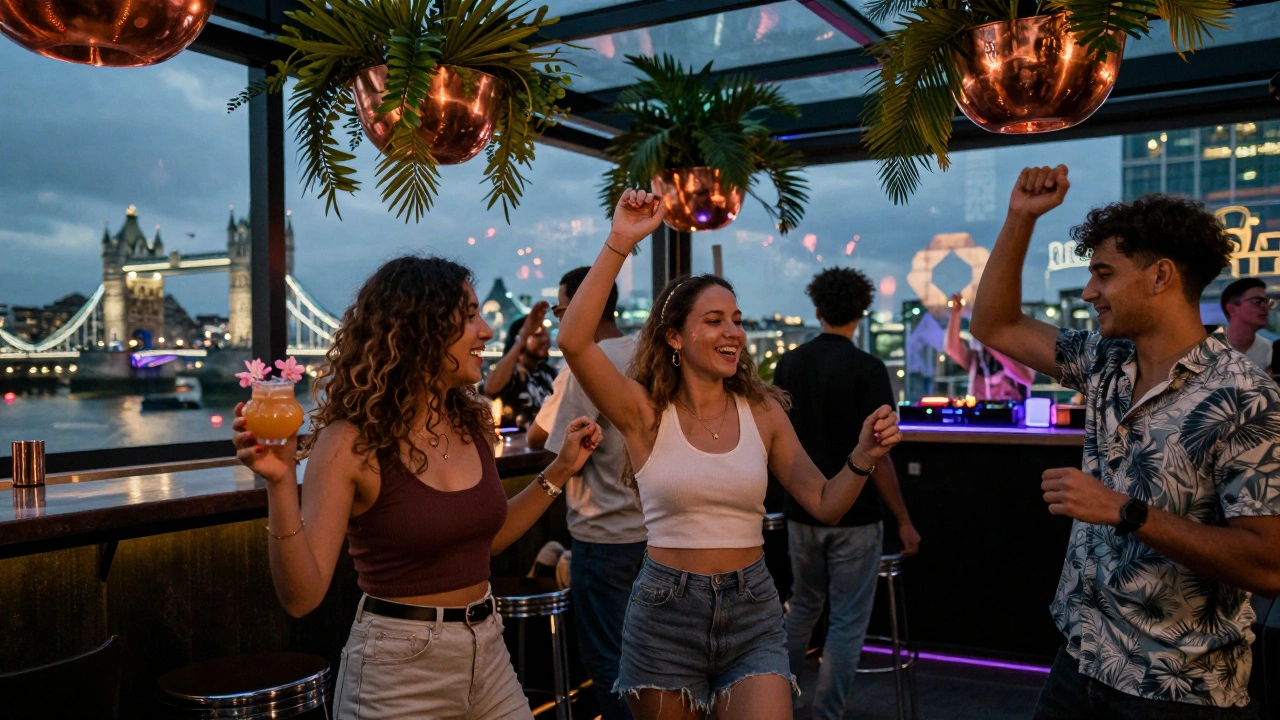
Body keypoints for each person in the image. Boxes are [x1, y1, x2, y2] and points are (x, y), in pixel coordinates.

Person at [557, 188, 902, 720]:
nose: (734, 332)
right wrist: (620, 241)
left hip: (753, 609)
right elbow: (575, 340)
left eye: (737, 319)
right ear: (674, 337)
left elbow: (826, 502)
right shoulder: (644, 413)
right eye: (715, 320)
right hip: (664, 613)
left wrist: (862, 455)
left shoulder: (762, 412)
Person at [231, 255, 604, 720]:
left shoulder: (472, 420)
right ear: (419, 328)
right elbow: (301, 597)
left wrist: (562, 469)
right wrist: (281, 483)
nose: (486, 332)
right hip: (397, 673)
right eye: (470, 316)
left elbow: (484, 539)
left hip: (488, 648)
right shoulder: (351, 441)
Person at [970, 167, 1280, 719]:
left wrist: (1127, 512)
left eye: (1104, 274)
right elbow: (996, 324)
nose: (1090, 291)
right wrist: (1020, 217)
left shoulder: (1246, 396)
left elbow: (1268, 563)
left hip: (1177, 689)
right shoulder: (1105, 362)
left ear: (1161, 276)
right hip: (1082, 659)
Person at [774, 267, 922, 720]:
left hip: (801, 512)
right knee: (846, 622)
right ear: (861, 312)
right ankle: (827, 715)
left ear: (817, 310)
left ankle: (776, 705)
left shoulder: (790, 364)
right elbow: (877, 457)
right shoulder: (869, 369)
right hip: (857, 517)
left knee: (801, 607)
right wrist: (903, 519)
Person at [529, 266, 646, 720]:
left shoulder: (584, 363)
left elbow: (546, 438)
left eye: (561, 309)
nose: (560, 319)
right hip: (655, 534)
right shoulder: (644, 353)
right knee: (652, 663)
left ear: (582, 307)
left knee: (609, 662)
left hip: (605, 537)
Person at [945, 291, 1034, 400]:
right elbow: (953, 350)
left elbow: (1026, 378)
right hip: (981, 413)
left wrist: (993, 347)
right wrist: (955, 314)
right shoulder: (978, 357)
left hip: (1011, 414)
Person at [485, 301, 556, 429]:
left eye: (546, 333)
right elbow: (490, 389)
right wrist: (522, 338)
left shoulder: (549, 374)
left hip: (542, 447)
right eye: (537, 334)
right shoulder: (510, 373)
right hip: (513, 446)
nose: (545, 339)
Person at [1220, 277, 1274, 373]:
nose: (1266, 307)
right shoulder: (1207, 351)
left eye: (1267, 302)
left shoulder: (1270, 352)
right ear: (1232, 309)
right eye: (1257, 301)